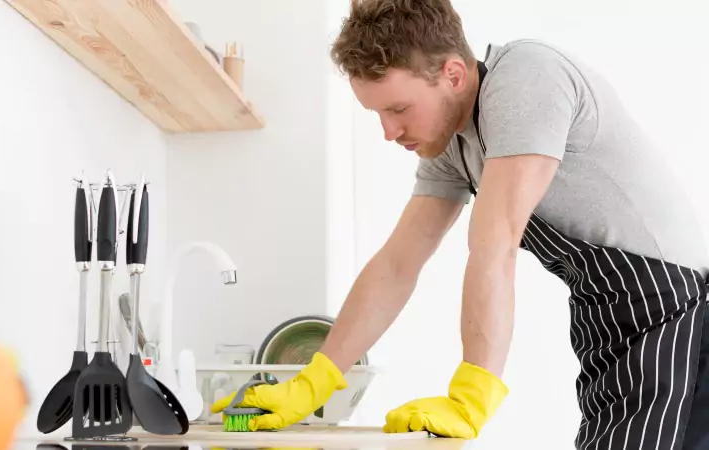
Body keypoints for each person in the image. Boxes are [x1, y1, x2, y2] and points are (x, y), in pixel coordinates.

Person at [210, 1, 709, 448]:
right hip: (612, 316)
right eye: (377, 114)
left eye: (398, 109)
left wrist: (471, 395)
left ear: (452, 73)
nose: (389, 132)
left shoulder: (526, 80)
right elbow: (397, 264)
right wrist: (315, 379)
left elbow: (494, 248)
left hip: (679, 311)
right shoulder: (454, 144)